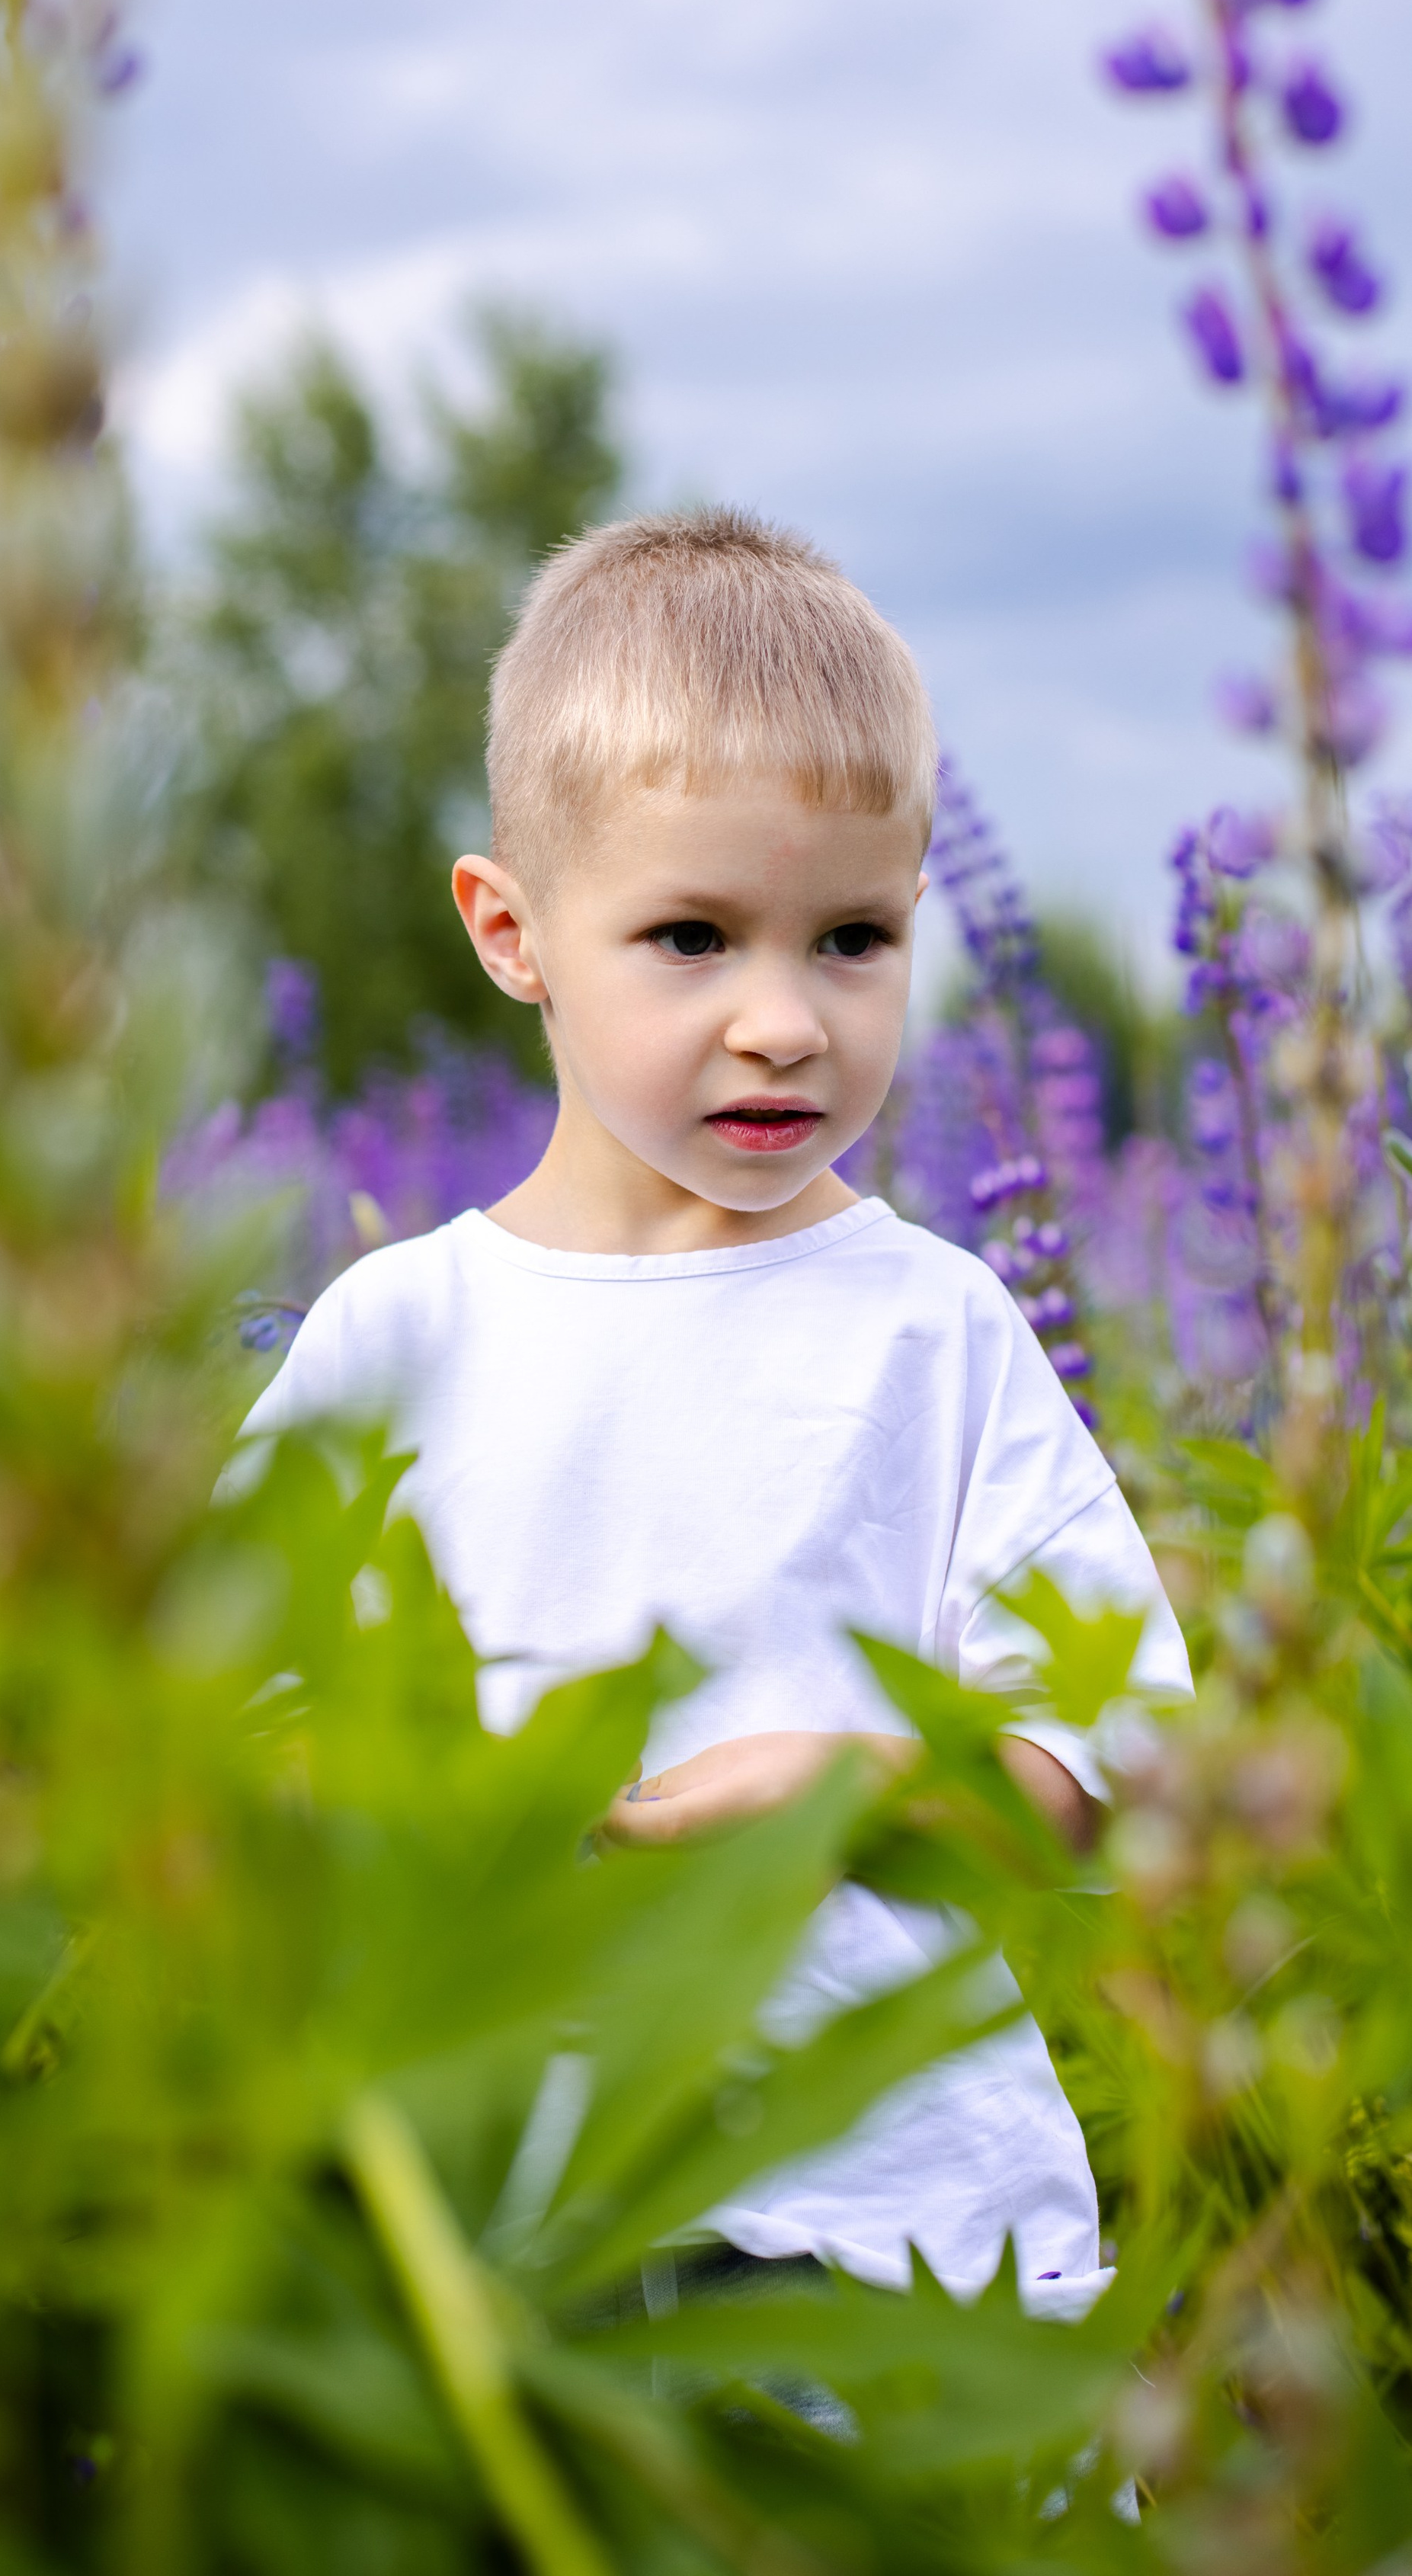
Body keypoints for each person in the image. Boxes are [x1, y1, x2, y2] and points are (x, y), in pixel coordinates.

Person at [242, 507, 1193, 2316]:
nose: (780, 1020)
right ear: (511, 930)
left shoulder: (936, 1325)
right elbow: (220, 1726)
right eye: (689, 937)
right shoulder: (392, 1333)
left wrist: (867, 1783)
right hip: (485, 2234)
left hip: (895, 2234)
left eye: (846, 940)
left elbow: (1103, 1746)